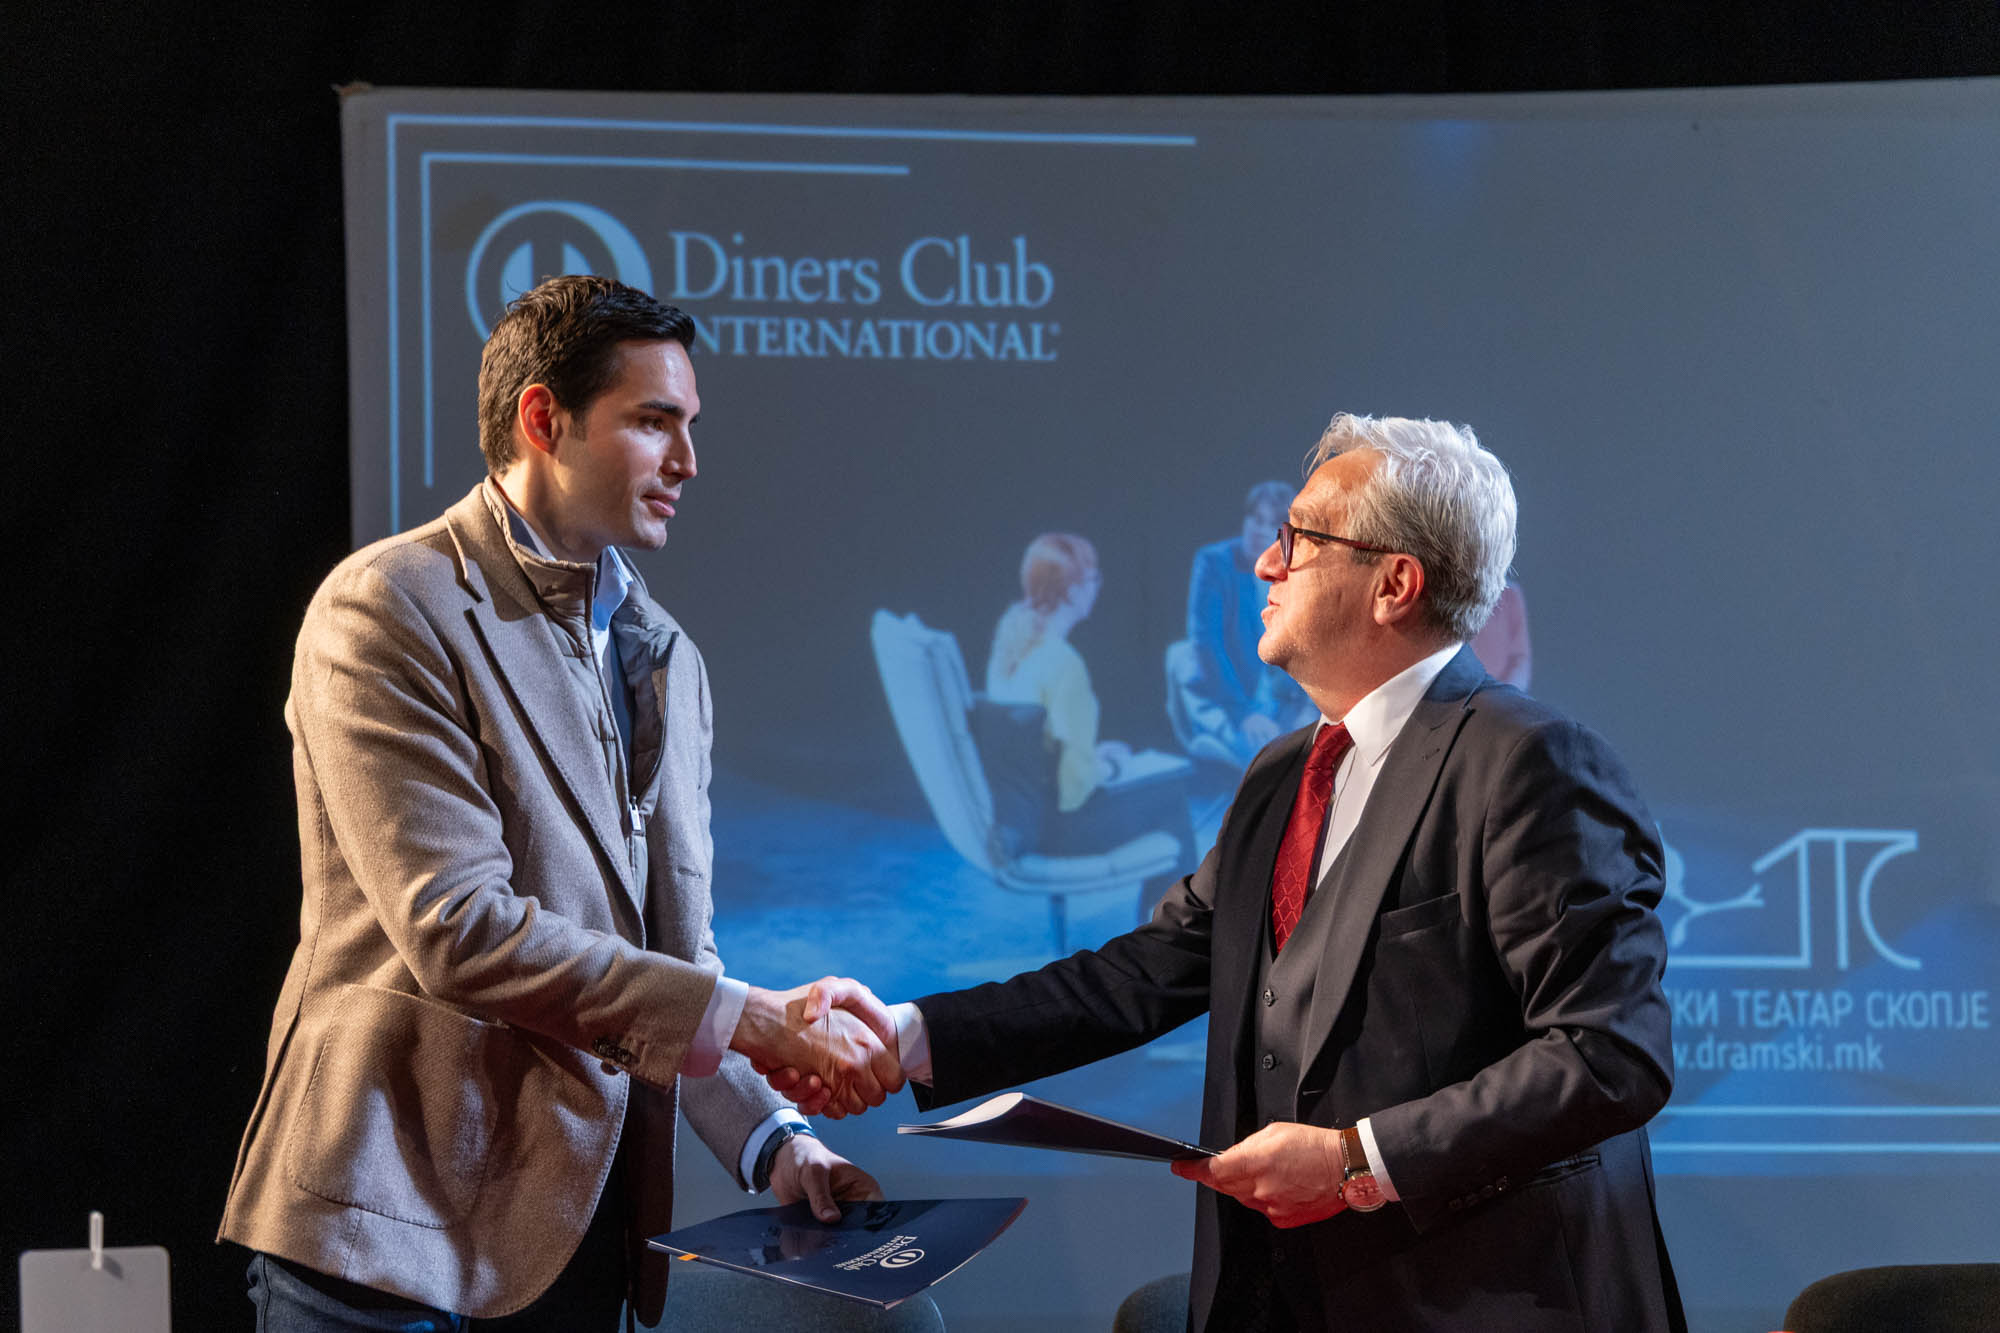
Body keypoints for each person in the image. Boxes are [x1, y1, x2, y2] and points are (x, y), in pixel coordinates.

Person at [784, 413, 1683, 1332]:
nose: (1263, 563)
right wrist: (908, 1034)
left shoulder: (1533, 762)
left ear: (1394, 584)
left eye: (1299, 539)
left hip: (1483, 1304)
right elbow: (1145, 971)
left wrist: (1354, 1159)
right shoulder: (1282, 773)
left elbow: (1610, 1052)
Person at [218, 275, 902, 1331]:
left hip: (575, 1239)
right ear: (543, 419)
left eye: (689, 425)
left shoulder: (666, 656)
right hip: (386, 1238)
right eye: (653, 422)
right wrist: (760, 1020)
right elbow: (460, 929)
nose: (687, 460)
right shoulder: (387, 608)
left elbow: (677, 963)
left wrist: (779, 1144)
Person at [982, 533, 1197, 916]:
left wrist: (1090, 755)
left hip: (1022, 816)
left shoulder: (1010, 641)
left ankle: (1164, 932)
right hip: (1059, 828)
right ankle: (1173, 937)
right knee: (1170, 796)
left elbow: (1032, 746)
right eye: (1093, 577)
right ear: (1071, 591)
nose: (1098, 586)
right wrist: (1110, 767)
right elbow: (1075, 789)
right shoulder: (1064, 664)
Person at [1178, 481, 1317, 765]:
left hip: (1282, 700)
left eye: (1270, 524)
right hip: (1231, 698)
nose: (1258, 530)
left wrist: (1306, 706)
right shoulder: (1214, 563)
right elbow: (1207, 644)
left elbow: (1310, 645)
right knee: (1268, 763)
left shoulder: (1298, 568)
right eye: (1255, 519)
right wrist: (1243, 714)